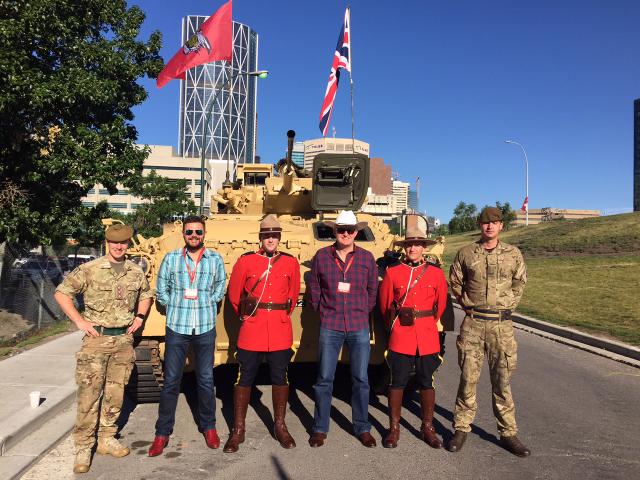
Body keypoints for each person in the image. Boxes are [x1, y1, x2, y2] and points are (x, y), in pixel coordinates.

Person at [54, 224, 153, 474]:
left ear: (128, 244)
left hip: (123, 342)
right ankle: (83, 446)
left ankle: (107, 438)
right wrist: (79, 321)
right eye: (114, 242)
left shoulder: (135, 271)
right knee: (89, 395)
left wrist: (140, 317)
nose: (119, 247)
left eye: (123, 243)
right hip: (96, 339)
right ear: (107, 243)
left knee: (115, 393)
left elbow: (146, 294)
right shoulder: (90, 269)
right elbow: (62, 294)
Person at [448, 207, 530, 457]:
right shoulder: (466, 253)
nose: (490, 226)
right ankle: (461, 428)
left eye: (494, 222)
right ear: (480, 225)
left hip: (501, 326)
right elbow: (455, 280)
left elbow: (520, 281)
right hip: (473, 324)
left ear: (501, 225)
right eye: (485, 223)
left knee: (502, 381)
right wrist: (467, 304)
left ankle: (508, 433)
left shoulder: (513, 254)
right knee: (468, 379)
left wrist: (508, 305)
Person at [148, 215, 226, 456]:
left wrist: (209, 302)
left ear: (204, 234)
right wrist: (174, 305)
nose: (194, 236)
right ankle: (162, 433)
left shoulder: (215, 259)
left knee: (206, 380)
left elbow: (220, 287)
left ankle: (209, 427)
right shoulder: (171, 258)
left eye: (198, 232)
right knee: (171, 380)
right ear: (183, 233)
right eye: (189, 231)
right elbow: (161, 289)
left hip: (204, 326)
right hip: (177, 326)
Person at [225, 215, 301, 452]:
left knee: (280, 377)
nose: (271, 239)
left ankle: (280, 426)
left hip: (279, 328)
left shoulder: (290, 262)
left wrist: (279, 315)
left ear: (279, 238)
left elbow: (292, 296)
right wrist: (248, 316)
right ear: (260, 237)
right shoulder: (246, 261)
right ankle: (238, 429)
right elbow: (234, 295)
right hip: (253, 327)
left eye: (274, 235)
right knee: (245, 377)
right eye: (267, 235)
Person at [307, 210, 379, 448]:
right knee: (324, 379)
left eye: (350, 230)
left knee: (361, 379)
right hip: (331, 324)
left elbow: (372, 290)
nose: (345, 234)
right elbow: (314, 286)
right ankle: (319, 428)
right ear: (334, 231)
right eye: (341, 230)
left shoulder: (367, 258)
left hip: (358, 325)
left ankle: (362, 427)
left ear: (356, 233)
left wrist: (363, 310)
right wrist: (322, 310)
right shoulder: (322, 256)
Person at [378, 227, 448, 449]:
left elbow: (440, 305)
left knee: (426, 381)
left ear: (424, 248)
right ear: (404, 248)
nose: (413, 248)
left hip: (427, 334)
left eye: (417, 244)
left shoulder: (436, 274)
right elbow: (385, 305)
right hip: (402, 334)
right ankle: (394, 429)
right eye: (409, 244)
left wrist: (424, 321)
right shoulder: (393, 272)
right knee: (397, 381)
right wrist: (397, 325)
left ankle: (427, 427)